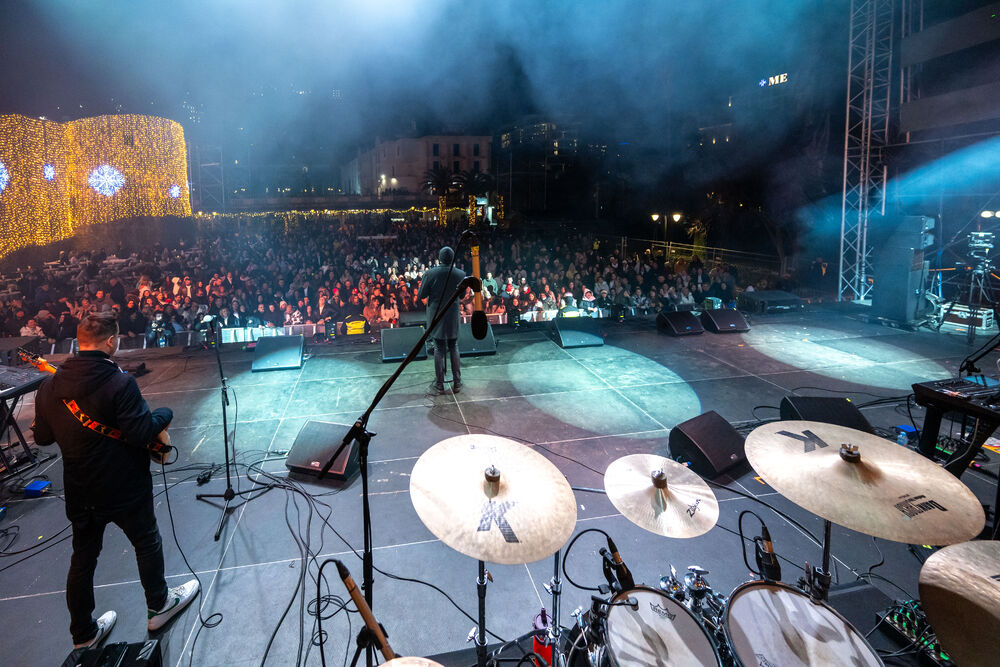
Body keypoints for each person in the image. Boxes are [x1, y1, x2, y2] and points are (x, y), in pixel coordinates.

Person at [31, 314, 199, 651]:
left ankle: (83, 635)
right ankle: (159, 605)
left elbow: (44, 438)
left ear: (79, 342)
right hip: (124, 486)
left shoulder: (49, 386)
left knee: (83, 558)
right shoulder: (120, 383)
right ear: (111, 341)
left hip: (80, 490)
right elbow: (139, 433)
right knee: (146, 541)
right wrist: (164, 414)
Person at [418, 246, 466, 394]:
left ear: (439, 258)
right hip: (452, 315)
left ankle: (440, 384)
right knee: (453, 345)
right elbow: (462, 296)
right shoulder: (460, 274)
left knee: (438, 348)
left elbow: (421, 295)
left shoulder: (430, 274)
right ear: (452, 258)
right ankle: (457, 382)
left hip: (436, 315)